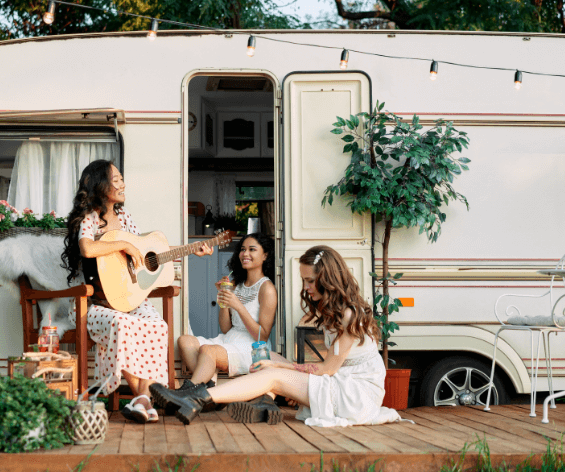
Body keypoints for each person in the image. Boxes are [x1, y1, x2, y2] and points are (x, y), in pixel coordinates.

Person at [150, 245, 403, 427]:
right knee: (271, 357)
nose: (306, 288)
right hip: (342, 381)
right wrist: (279, 363)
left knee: (272, 373)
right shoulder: (335, 311)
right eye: (304, 280)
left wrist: (281, 368)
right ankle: (262, 403)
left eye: (311, 281)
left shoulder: (349, 315)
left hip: (355, 394)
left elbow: (327, 369)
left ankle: (198, 396)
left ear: (329, 279)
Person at [61, 159, 212, 424]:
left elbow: (143, 253)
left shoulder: (125, 216)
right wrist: (122, 244)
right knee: (124, 324)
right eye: (116, 179)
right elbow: (87, 249)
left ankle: (143, 400)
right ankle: (145, 398)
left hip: (126, 300)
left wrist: (189, 250)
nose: (122, 184)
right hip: (94, 305)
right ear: (100, 184)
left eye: (121, 178)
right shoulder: (90, 219)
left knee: (157, 325)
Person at [176, 233, 277, 392]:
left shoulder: (267, 288)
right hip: (229, 339)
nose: (245, 254)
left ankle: (188, 391)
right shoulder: (236, 283)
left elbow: (261, 336)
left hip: (250, 348)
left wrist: (237, 305)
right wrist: (223, 298)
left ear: (265, 255)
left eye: (252, 249)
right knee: (185, 341)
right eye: (243, 249)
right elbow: (225, 329)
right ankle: (208, 389)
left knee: (208, 350)